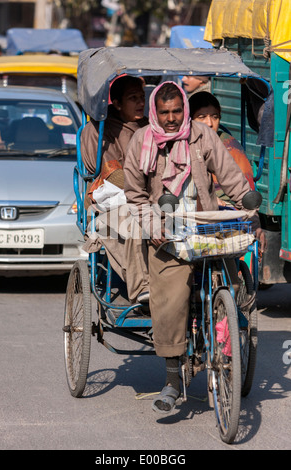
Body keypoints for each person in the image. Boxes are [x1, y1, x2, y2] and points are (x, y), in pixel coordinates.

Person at [123, 81, 264, 414]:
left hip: (203, 224)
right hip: (166, 231)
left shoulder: (202, 134)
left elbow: (229, 175)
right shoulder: (142, 141)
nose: (172, 119)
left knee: (232, 275)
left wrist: (246, 201)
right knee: (170, 296)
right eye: (165, 112)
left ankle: (228, 342)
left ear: (184, 109)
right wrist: (152, 226)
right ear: (155, 112)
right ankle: (173, 379)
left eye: (176, 111)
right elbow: (135, 195)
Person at [81, 75, 150, 304]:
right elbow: (103, 171)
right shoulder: (99, 129)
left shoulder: (151, 127)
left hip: (147, 199)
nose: (140, 102)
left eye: (142, 97)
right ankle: (141, 286)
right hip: (111, 203)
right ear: (117, 103)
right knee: (134, 225)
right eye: (133, 98)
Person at [189, 91, 255, 204]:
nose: (209, 123)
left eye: (215, 117)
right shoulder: (181, 144)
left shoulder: (229, 146)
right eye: (202, 117)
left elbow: (243, 189)